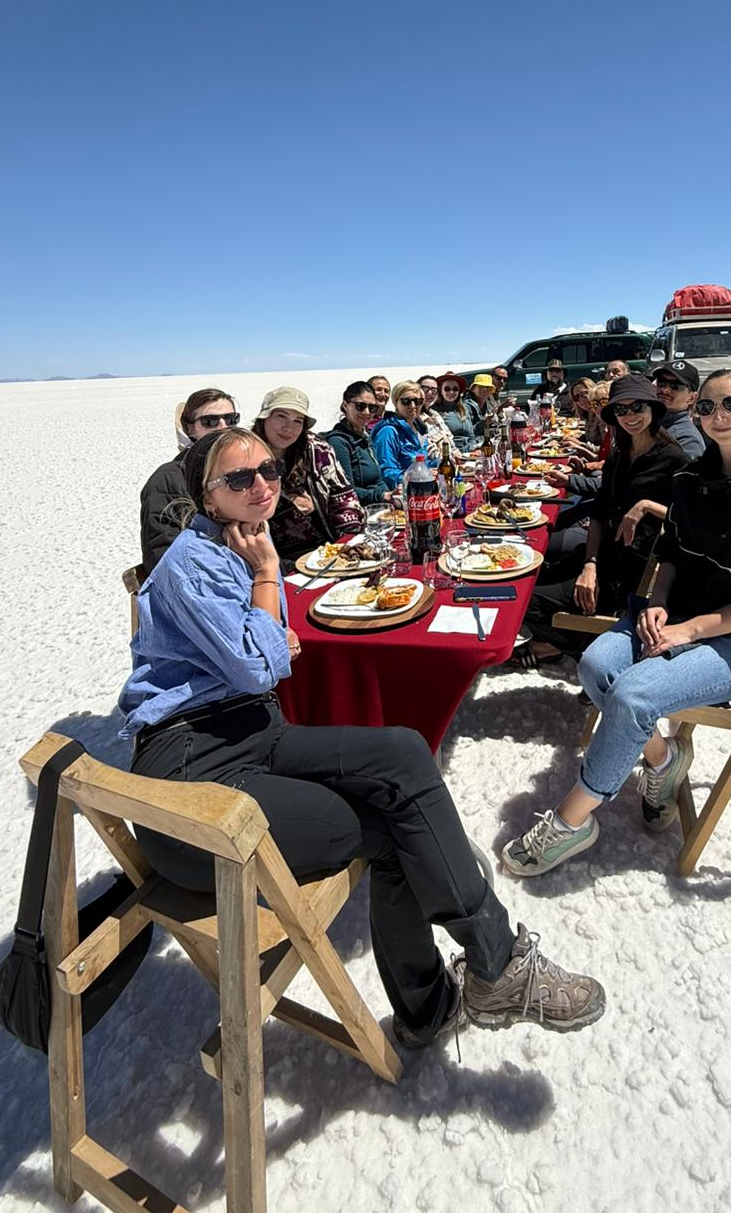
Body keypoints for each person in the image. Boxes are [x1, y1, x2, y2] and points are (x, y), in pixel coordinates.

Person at [120, 426, 605, 1043]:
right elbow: (261, 664)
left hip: (252, 732)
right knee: (399, 832)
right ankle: (478, 978)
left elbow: (269, 653)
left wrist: (268, 633)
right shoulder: (196, 561)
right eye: (239, 478)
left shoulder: (234, 540)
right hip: (191, 785)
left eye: (269, 470)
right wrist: (267, 578)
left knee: (402, 750)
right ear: (207, 496)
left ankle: (470, 981)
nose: (262, 484)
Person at [500, 371, 731, 876]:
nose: (718, 416)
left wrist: (688, 630)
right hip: (673, 615)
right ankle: (662, 760)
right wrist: (657, 600)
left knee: (632, 696)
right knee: (595, 667)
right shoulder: (694, 479)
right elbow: (671, 551)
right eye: (707, 407)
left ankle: (573, 821)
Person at [524, 376, 689, 664]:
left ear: (652, 407)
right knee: (528, 578)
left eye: (637, 407)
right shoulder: (620, 454)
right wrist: (590, 565)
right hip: (603, 558)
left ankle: (580, 648)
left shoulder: (674, 459)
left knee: (525, 601)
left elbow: (693, 520)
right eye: (621, 410)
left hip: (629, 575)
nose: (630, 416)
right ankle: (572, 640)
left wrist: (647, 506)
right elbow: (599, 512)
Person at [253, 386, 363, 560]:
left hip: (326, 549)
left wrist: (348, 543)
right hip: (271, 557)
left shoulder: (317, 451)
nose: (289, 428)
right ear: (264, 418)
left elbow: (344, 497)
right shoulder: (246, 455)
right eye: (281, 416)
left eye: (298, 421)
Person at [139, 387, 239, 573]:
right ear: (191, 429)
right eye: (210, 422)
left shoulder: (242, 470)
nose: (224, 427)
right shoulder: (169, 479)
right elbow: (163, 555)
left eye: (231, 419)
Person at [325, 381, 393, 506]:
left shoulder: (364, 436)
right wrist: (382, 496)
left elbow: (377, 479)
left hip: (377, 506)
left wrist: (392, 497)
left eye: (372, 408)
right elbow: (346, 490)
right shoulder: (338, 442)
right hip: (358, 510)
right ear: (345, 405)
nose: (367, 412)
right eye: (360, 406)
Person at [371, 381, 431, 488]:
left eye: (418, 401)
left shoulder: (420, 430)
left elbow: (424, 464)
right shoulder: (388, 432)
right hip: (401, 491)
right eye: (406, 401)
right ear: (396, 402)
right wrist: (416, 478)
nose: (413, 406)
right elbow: (386, 472)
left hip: (422, 487)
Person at [651, 359, 706, 459]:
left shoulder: (688, 440)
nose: (665, 390)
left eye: (675, 386)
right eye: (661, 383)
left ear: (692, 398)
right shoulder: (647, 422)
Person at [433, 372, 477, 452]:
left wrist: (472, 449)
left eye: (455, 389)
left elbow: (471, 436)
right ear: (441, 391)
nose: (451, 392)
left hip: (469, 453)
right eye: (447, 389)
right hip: (451, 453)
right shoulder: (434, 412)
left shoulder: (464, 409)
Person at [466, 373, 501, 442]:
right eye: (481, 386)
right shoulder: (466, 407)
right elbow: (468, 432)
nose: (484, 389)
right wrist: (484, 423)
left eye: (487, 387)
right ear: (473, 389)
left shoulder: (489, 404)